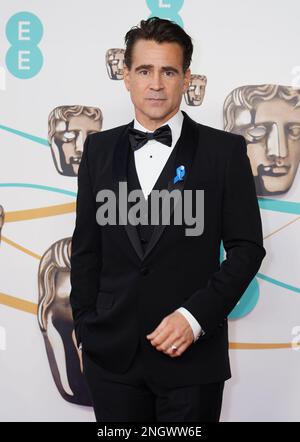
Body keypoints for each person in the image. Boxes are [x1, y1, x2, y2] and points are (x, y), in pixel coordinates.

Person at [70, 16, 266, 422]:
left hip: (192, 360)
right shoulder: (98, 151)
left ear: (186, 78)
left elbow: (246, 249)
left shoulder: (225, 152)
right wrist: (87, 329)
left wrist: (194, 319)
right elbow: (86, 250)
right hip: (112, 360)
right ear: (126, 76)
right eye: (144, 70)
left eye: (168, 71)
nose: (155, 83)